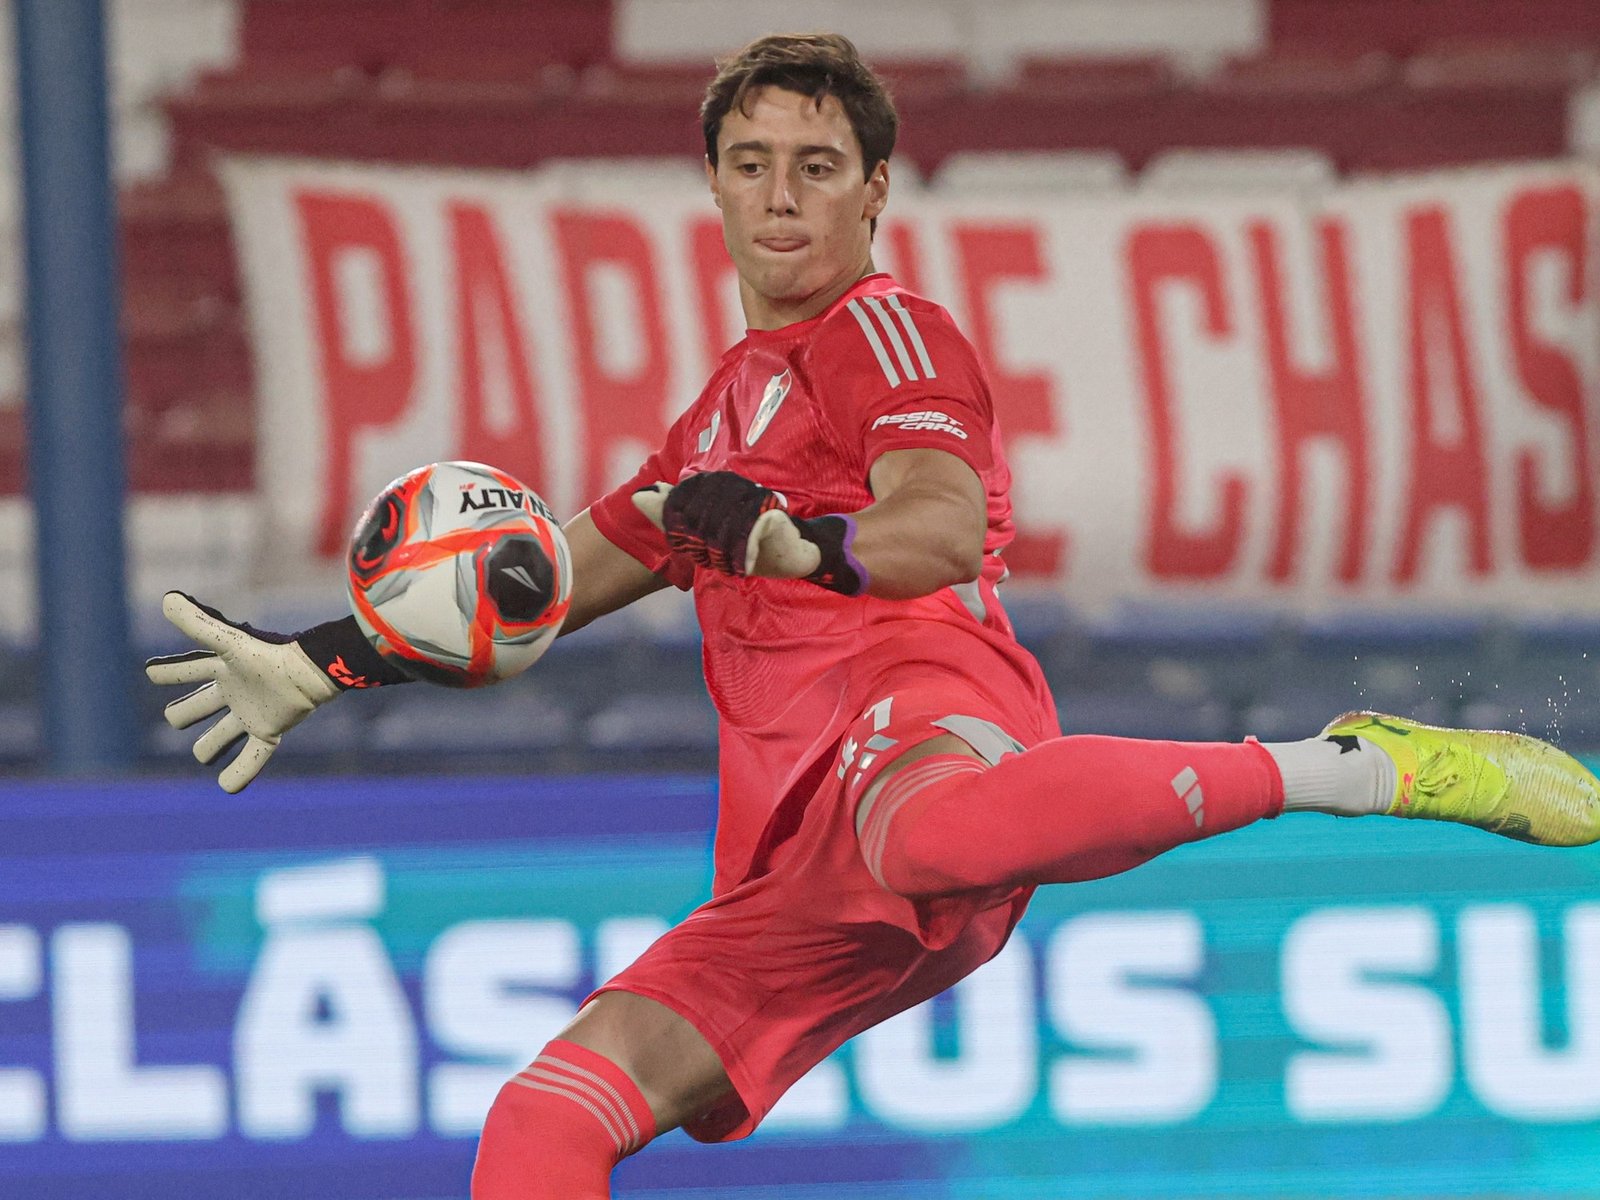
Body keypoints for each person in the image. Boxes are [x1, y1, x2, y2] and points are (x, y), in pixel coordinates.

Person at [145, 32, 1600, 1198]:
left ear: (874, 191)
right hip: (795, 875)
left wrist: (803, 542)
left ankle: (1356, 767)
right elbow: (537, 587)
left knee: (922, 832)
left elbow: (940, 523)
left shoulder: (890, 336)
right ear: (714, 185)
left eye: (817, 167)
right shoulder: (713, 422)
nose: (782, 196)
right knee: (545, 1118)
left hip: (929, 725)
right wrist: (319, 664)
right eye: (752, 165)